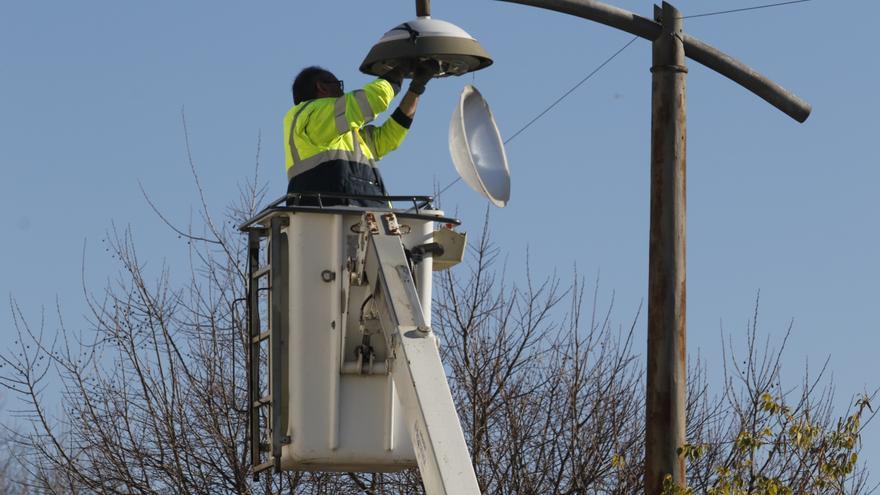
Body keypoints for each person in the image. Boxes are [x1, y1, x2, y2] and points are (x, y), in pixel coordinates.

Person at [284, 62, 436, 206]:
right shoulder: (310, 117)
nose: (343, 91)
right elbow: (369, 101)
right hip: (330, 219)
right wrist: (401, 68)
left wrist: (415, 89)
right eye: (338, 85)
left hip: (361, 221)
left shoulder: (346, 136)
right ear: (322, 87)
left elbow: (389, 137)